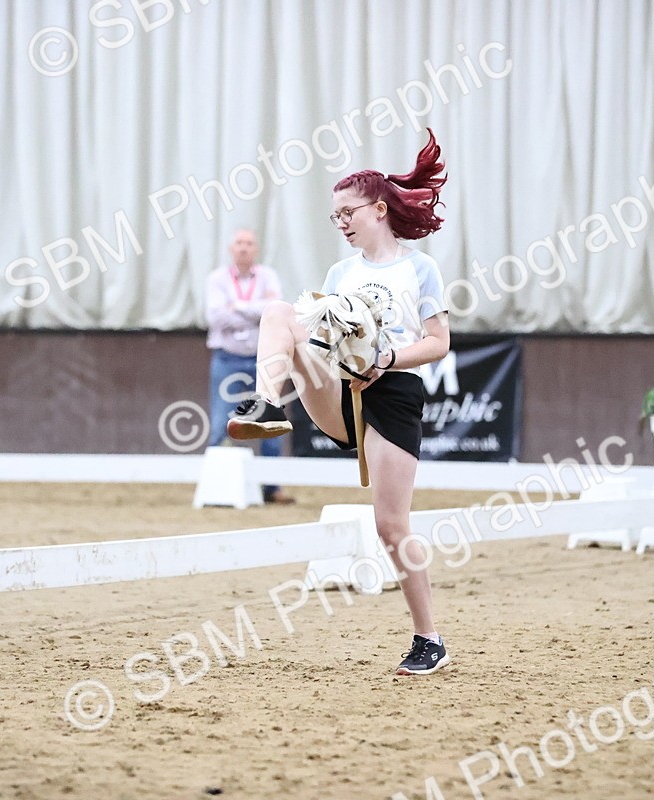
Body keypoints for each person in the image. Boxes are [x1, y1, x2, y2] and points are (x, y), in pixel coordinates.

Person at [227, 130, 451, 675]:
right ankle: (266, 405)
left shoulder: (419, 269)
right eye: (335, 216)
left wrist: (386, 359)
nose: (342, 222)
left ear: (379, 210)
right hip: (339, 386)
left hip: (393, 391)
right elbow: (319, 334)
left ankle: (429, 639)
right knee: (279, 312)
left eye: (348, 212)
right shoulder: (339, 274)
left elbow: (438, 343)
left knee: (391, 526)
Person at [205, 228, 294, 505]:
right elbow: (216, 317)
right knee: (219, 423)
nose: (244, 247)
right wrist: (257, 311)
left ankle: (272, 488)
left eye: (249, 243)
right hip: (227, 358)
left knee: (270, 421)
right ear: (231, 248)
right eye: (239, 243)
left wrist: (237, 306)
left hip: (262, 360)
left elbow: (275, 312)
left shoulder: (269, 276)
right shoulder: (216, 279)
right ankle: (212, 486)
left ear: (255, 249)